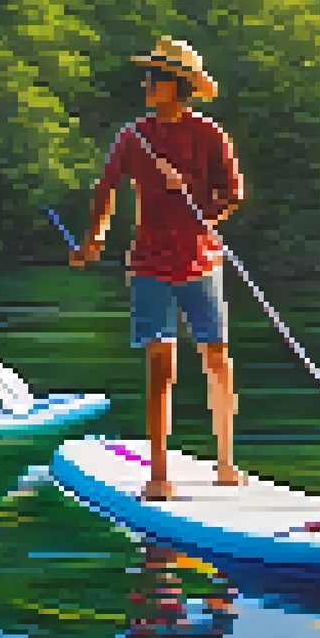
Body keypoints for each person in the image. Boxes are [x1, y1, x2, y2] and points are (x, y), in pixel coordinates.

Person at [71, 38, 246, 501]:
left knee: (217, 359)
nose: (146, 84)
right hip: (149, 264)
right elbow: (106, 190)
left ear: (178, 85)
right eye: (147, 77)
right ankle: (159, 472)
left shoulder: (209, 135)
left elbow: (230, 197)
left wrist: (187, 186)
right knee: (160, 366)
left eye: (155, 78)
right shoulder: (133, 136)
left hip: (201, 263)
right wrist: (94, 239)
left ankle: (227, 463)